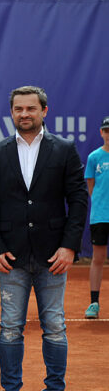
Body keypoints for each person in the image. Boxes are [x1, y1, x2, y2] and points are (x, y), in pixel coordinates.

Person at [0, 86, 87, 391]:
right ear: (11, 112)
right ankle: (11, 387)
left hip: (54, 255)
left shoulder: (64, 149)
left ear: (44, 111)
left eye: (30, 109)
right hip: (10, 256)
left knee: (54, 326)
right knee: (10, 328)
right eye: (18, 109)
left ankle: (55, 387)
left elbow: (78, 200)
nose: (24, 114)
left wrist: (69, 246)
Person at [84, 118, 109, 319]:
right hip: (100, 216)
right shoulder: (94, 157)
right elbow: (91, 186)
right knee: (98, 259)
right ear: (101, 133)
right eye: (106, 131)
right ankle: (94, 303)